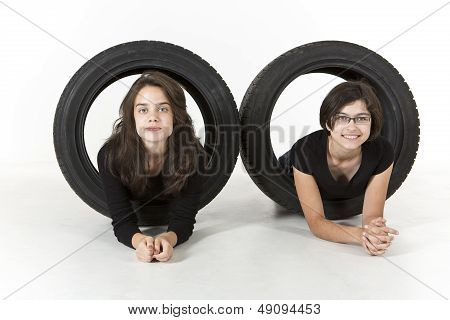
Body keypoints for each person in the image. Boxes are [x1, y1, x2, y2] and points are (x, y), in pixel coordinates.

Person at [278, 80, 399, 256]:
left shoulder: (382, 151)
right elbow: (316, 223)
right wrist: (359, 235)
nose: (352, 127)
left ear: (372, 122)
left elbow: (372, 215)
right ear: (327, 123)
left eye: (362, 118)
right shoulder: (305, 151)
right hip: (286, 174)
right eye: (342, 118)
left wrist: (374, 231)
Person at [97, 71, 206, 263]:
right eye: (143, 110)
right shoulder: (110, 156)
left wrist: (167, 239)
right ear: (132, 117)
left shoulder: (193, 155)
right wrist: (140, 241)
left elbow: (184, 219)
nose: (153, 117)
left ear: (176, 115)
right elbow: (122, 220)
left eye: (163, 109)